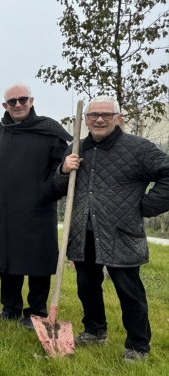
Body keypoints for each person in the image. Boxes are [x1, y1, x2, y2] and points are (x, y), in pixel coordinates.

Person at [58, 96, 169, 362]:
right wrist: (63, 170)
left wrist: (143, 207)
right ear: (85, 120)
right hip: (83, 231)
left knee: (128, 290)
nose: (99, 119)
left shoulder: (138, 148)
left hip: (121, 231)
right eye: (93, 115)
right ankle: (95, 331)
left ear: (118, 117)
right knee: (87, 286)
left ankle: (138, 346)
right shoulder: (76, 148)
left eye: (106, 115)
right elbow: (58, 188)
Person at [0, 84, 72, 330]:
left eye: (23, 99)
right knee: (7, 260)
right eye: (12, 101)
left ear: (31, 100)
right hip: (5, 209)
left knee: (38, 261)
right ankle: (10, 308)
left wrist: (46, 191)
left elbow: (60, 169)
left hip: (38, 209)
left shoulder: (49, 131)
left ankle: (37, 311)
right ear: (5, 106)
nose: (18, 104)